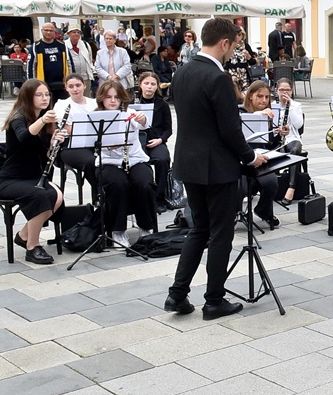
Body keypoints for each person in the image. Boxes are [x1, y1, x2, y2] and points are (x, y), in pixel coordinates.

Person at [166, 18, 268, 321]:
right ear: (224, 43)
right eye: (234, 46)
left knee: (198, 229)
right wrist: (250, 157)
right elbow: (229, 129)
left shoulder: (181, 72)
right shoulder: (218, 77)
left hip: (188, 162)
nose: (233, 52)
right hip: (217, 167)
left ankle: (177, 294)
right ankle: (214, 300)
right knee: (221, 233)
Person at [0, 79, 65, 264]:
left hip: (34, 176)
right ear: (28, 96)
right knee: (41, 196)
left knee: (57, 196)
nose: (45, 98)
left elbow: (46, 155)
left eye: (47, 94)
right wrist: (42, 121)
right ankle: (32, 246)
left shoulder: (47, 121)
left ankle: (24, 234)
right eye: (39, 95)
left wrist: (53, 143)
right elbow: (25, 137)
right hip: (11, 179)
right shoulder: (18, 118)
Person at [93, 81, 158, 246]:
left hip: (135, 159)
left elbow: (143, 123)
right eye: (108, 97)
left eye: (116, 97)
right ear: (101, 99)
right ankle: (118, 230)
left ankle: (146, 226)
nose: (113, 101)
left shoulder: (130, 113)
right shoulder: (95, 117)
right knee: (118, 184)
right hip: (109, 162)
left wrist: (142, 119)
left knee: (144, 183)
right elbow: (90, 140)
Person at [240, 81, 283, 230]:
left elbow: (271, 145)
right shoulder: (239, 113)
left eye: (266, 97)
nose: (264, 101)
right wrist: (256, 116)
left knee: (271, 182)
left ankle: (263, 210)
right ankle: (233, 212)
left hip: (262, 158)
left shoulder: (269, 114)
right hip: (242, 158)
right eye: (260, 96)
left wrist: (278, 134)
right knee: (242, 186)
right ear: (251, 96)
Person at [55, 74, 99, 196]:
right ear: (66, 88)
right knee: (92, 162)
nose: (75, 89)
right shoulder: (61, 104)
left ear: (84, 85)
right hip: (71, 146)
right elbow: (68, 129)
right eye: (71, 86)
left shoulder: (94, 103)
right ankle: (100, 193)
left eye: (78, 85)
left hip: (94, 143)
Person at [135, 72, 173, 212]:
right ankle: (142, 197)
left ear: (157, 86)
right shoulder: (133, 102)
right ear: (140, 85)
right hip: (137, 141)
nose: (149, 87)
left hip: (156, 140)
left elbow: (168, 129)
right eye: (146, 83)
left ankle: (159, 197)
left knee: (162, 159)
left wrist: (160, 140)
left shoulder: (162, 104)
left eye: (152, 84)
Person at [271, 78, 306, 205]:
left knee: (295, 150)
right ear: (277, 90)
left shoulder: (296, 106)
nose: (284, 92)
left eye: (288, 90)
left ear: (291, 91)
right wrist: (277, 131)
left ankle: (291, 187)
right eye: (281, 90)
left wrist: (290, 107)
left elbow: (298, 124)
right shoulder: (272, 106)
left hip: (292, 138)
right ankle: (272, 187)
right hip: (276, 138)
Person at [30, 22, 70, 101]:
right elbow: (31, 66)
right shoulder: (36, 46)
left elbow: (69, 63)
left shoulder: (62, 45)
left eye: (51, 30)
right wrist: (32, 84)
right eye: (46, 30)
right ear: (42, 31)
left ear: (54, 32)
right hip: (43, 85)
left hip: (61, 85)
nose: (48, 32)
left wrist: (69, 81)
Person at [62, 27, 94, 93]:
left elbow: (90, 58)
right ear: (68, 34)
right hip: (70, 78)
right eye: (74, 32)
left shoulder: (85, 45)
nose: (76, 34)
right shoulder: (63, 45)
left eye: (78, 32)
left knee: (86, 98)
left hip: (85, 78)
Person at [226, 29, 256, 94]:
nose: (238, 37)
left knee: (246, 94)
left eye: (240, 34)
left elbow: (253, 62)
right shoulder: (230, 46)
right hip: (232, 74)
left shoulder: (246, 46)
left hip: (244, 75)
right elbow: (225, 63)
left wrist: (249, 57)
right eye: (237, 35)